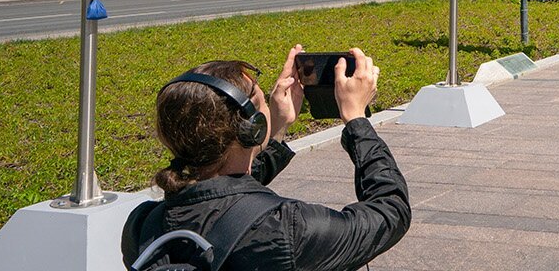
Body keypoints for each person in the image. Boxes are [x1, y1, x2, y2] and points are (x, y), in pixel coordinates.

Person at [123, 46, 410, 271]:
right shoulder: (287, 229)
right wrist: (357, 119)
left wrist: (278, 129)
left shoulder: (143, 226)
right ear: (252, 130)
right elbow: (390, 211)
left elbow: (219, 201)